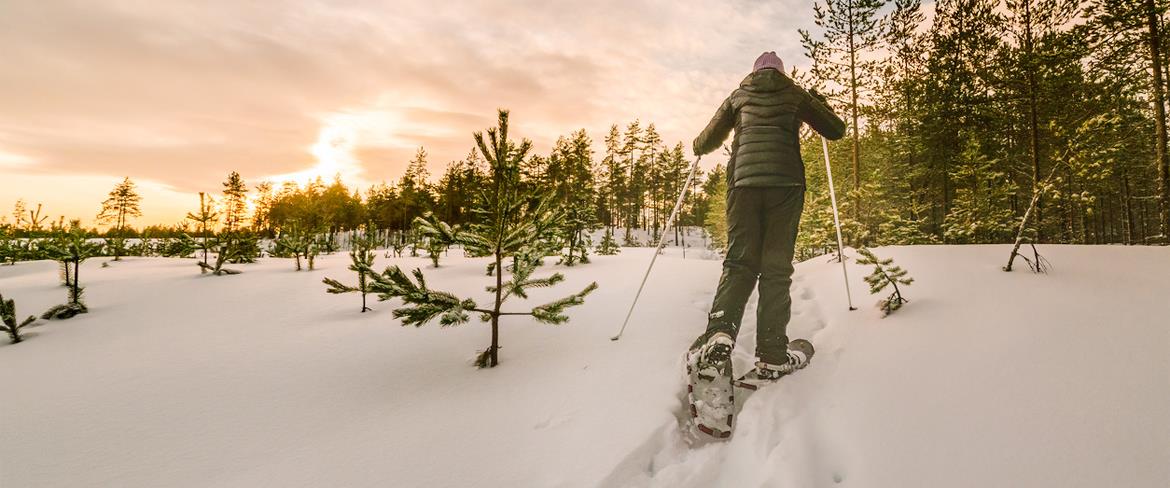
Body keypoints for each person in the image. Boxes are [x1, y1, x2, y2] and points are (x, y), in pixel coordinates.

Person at [688, 51, 846, 382]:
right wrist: (819, 102)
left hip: (744, 187)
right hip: (785, 187)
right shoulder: (795, 94)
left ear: (753, 72)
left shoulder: (738, 96)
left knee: (739, 263)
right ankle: (772, 354)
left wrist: (701, 145)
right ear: (782, 73)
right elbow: (835, 130)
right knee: (775, 268)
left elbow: (704, 142)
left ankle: (719, 335)